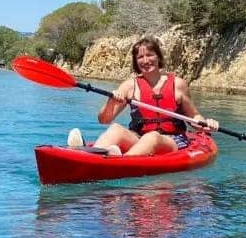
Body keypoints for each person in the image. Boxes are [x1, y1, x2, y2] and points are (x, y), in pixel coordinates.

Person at [67, 35, 219, 156]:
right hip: (139, 138)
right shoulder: (129, 86)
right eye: (140, 57)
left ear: (158, 57)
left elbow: (194, 117)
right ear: (136, 61)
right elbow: (104, 120)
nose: (145, 60)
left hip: (172, 140)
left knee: (152, 137)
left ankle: (118, 162)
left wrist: (206, 123)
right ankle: (87, 156)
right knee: (116, 129)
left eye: (150, 55)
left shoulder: (178, 84)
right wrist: (111, 101)